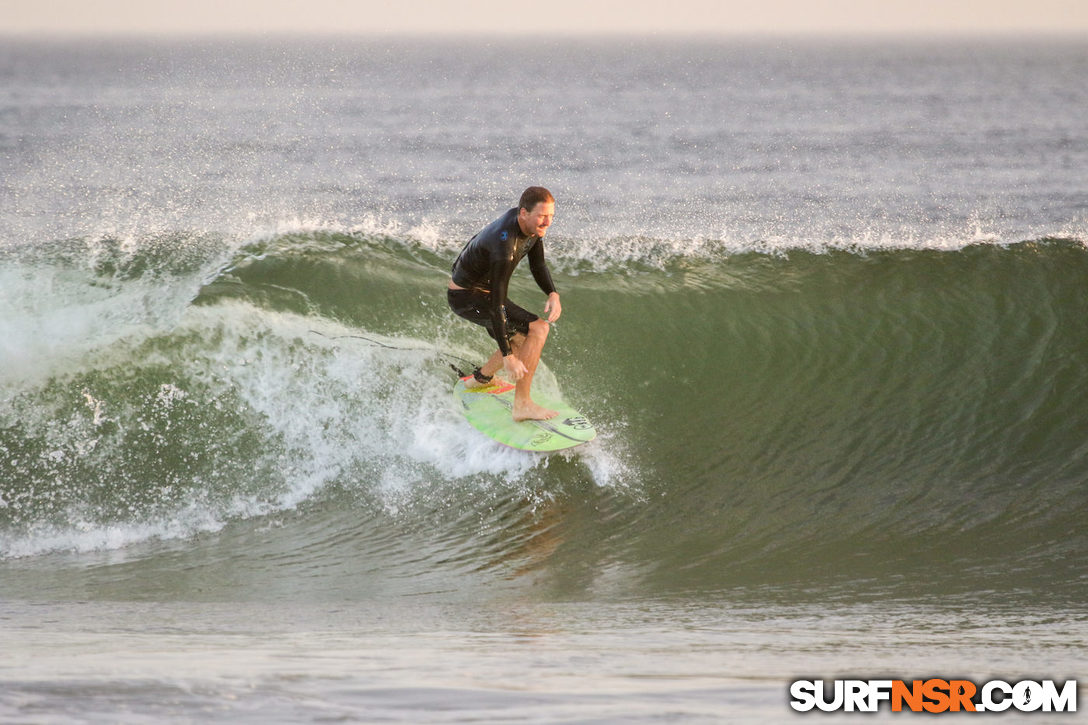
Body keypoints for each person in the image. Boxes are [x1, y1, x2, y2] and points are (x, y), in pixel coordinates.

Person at [447, 186, 562, 421]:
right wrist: (508, 358)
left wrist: (552, 292)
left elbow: (538, 264)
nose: (548, 222)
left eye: (551, 216)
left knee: (521, 340)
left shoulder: (530, 227)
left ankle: (480, 380)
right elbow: (497, 304)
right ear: (523, 213)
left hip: (482, 291)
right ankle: (522, 405)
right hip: (467, 296)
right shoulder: (505, 247)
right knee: (539, 328)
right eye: (542, 216)